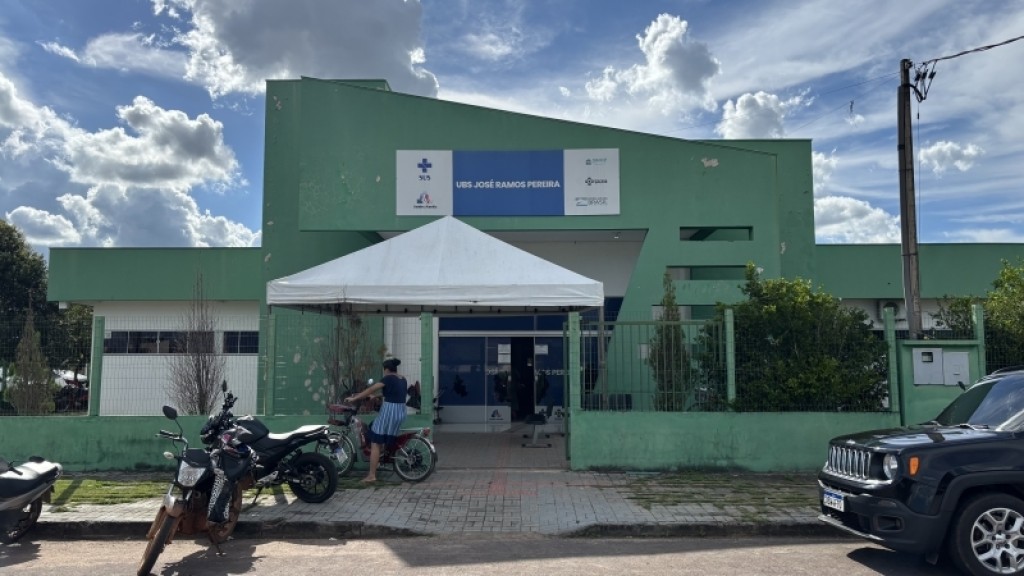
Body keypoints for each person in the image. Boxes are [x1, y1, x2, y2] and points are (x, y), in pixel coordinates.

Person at [345, 357, 408, 483]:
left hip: (389, 411)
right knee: (376, 429)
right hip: (401, 411)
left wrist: (355, 398)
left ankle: (371, 475)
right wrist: (375, 397)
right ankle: (379, 458)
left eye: (384, 370)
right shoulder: (402, 379)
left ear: (386, 369)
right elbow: (392, 392)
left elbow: (371, 389)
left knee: (375, 442)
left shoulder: (388, 378)